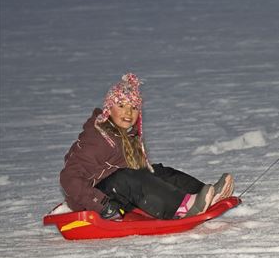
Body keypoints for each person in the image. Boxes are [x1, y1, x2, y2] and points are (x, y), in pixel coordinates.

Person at [59, 73, 234, 220]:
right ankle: (182, 206)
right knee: (126, 177)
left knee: (156, 171)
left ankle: (204, 194)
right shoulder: (98, 139)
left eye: (134, 108)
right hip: (93, 201)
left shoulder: (128, 135)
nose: (128, 113)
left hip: (119, 193)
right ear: (109, 110)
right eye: (121, 106)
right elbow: (69, 178)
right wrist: (100, 203)